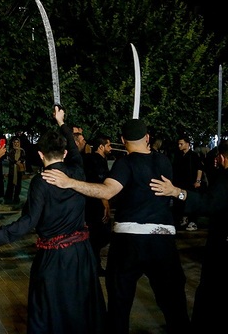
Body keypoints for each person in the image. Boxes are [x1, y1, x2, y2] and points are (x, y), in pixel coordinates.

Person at [41, 118, 191, 334]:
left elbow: (107, 191)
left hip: (129, 241)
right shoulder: (164, 161)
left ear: (122, 139)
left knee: (119, 306)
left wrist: (70, 182)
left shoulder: (125, 164)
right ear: (147, 137)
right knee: (174, 305)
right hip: (163, 240)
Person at [0, 106, 105, 334]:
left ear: (41, 155)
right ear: (64, 153)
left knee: (49, 309)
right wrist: (61, 122)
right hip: (81, 254)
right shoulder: (77, 171)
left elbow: (29, 221)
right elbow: (74, 148)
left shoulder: (41, 181)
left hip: (54, 258)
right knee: (79, 306)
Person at [150, 139, 228, 333]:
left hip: (222, 247)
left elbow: (207, 203)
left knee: (212, 290)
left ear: (221, 158)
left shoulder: (225, 178)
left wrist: (177, 192)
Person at [83, 134, 113, 276]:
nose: (111, 148)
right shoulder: (98, 161)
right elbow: (100, 183)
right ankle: (94, 266)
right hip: (97, 203)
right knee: (99, 235)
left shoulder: (91, 159)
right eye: (108, 145)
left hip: (91, 202)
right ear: (101, 146)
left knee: (96, 236)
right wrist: (105, 204)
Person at [172, 134, 204, 231]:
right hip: (180, 183)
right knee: (180, 201)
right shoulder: (178, 156)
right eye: (178, 144)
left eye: (181, 144)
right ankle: (183, 218)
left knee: (191, 201)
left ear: (187, 144)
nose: (179, 146)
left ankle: (192, 221)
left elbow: (199, 168)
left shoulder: (193, 155)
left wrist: (198, 181)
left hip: (190, 183)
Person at [4, 137, 26, 204]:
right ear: (13, 143)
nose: (16, 144)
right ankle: (9, 198)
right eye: (15, 142)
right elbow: (10, 158)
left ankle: (16, 197)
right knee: (10, 184)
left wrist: (20, 161)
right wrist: (16, 162)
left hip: (18, 170)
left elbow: (23, 158)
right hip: (12, 170)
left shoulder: (22, 151)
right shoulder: (11, 150)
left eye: (17, 142)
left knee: (18, 185)